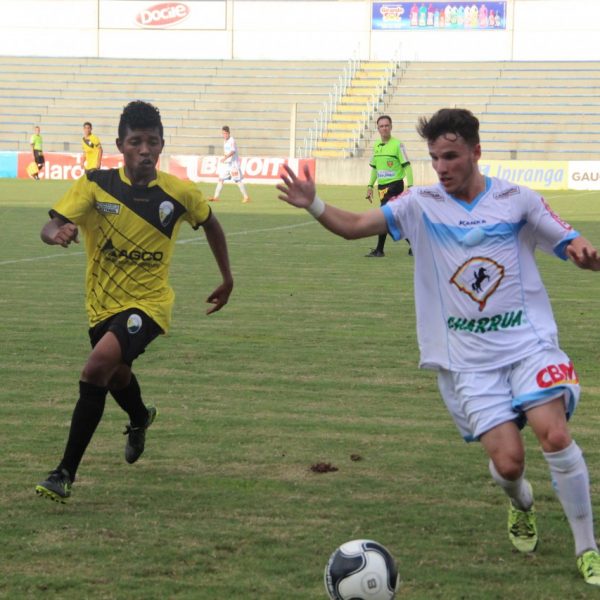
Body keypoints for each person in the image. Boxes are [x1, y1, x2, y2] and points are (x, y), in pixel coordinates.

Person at [277, 107, 600, 586]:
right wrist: (314, 203)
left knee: (553, 434)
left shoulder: (518, 199)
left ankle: (587, 548)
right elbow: (354, 226)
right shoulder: (419, 203)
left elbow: (571, 240)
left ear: (476, 152)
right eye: (434, 158)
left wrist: (584, 254)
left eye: (451, 156)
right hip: (468, 362)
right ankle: (521, 504)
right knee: (509, 463)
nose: (442, 167)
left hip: (528, 345)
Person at [35, 100, 234, 503]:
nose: (145, 150)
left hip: (150, 304)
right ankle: (140, 417)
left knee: (95, 369)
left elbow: (211, 223)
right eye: (136, 142)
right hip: (101, 304)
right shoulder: (95, 185)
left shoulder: (178, 193)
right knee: (116, 373)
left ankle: (64, 473)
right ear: (120, 145)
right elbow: (50, 223)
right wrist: (55, 233)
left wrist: (227, 278)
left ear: (161, 146)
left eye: (152, 143)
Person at [365, 115, 413, 257]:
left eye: (387, 125)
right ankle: (415, 244)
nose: (384, 128)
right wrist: (370, 186)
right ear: (378, 129)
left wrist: (410, 186)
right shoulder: (376, 146)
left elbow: (407, 167)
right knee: (394, 219)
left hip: (395, 186)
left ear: (391, 127)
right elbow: (375, 168)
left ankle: (380, 250)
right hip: (382, 188)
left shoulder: (398, 144)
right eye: (381, 126)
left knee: (384, 216)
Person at [209, 125, 250, 203]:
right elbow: (227, 151)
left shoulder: (232, 140)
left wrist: (225, 158)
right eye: (223, 133)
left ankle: (246, 197)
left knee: (238, 181)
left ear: (229, 133)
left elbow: (232, 151)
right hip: (227, 165)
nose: (224, 135)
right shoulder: (225, 141)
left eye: (225, 133)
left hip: (234, 165)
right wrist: (225, 158)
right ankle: (216, 197)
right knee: (221, 179)